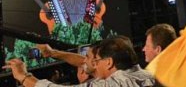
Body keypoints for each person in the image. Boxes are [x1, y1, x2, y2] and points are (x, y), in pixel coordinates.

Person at [4, 37, 154, 87]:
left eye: (96, 60)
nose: (93, 64)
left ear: (108, 62)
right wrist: (53, 53)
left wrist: (23, 76)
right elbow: (86, 63)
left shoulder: (113, 84)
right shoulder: (146, 75)